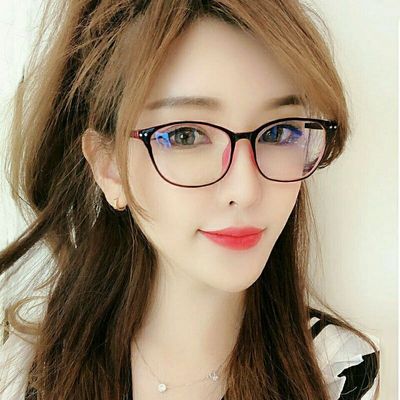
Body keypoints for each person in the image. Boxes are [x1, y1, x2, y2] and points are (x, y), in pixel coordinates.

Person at [0, 0, 380, 399]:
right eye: (186, 136)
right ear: (109, 168)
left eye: (279, 132)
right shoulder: (23, 369)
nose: (245, 190)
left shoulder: (338, 373)